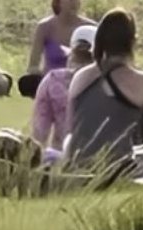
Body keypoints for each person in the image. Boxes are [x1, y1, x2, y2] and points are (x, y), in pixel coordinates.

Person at [63, 10, 143, 180]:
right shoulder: (142, 81)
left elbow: (73, 128)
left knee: (68, 141)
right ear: (132, 42)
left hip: (78, 165)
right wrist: (140, 150)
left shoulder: (80, 77)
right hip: (118, 171)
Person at [28, 24, 94, 157]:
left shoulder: (53, 80)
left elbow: (39, 133)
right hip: (99, 158)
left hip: (60, 156)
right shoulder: (110, 81)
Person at [18, 0, 89, 98]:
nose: (75, 2)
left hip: (81, 84)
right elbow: (33, 66)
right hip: (51, 84)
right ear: (57, 0)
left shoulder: (90, 28)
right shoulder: (45, 27)